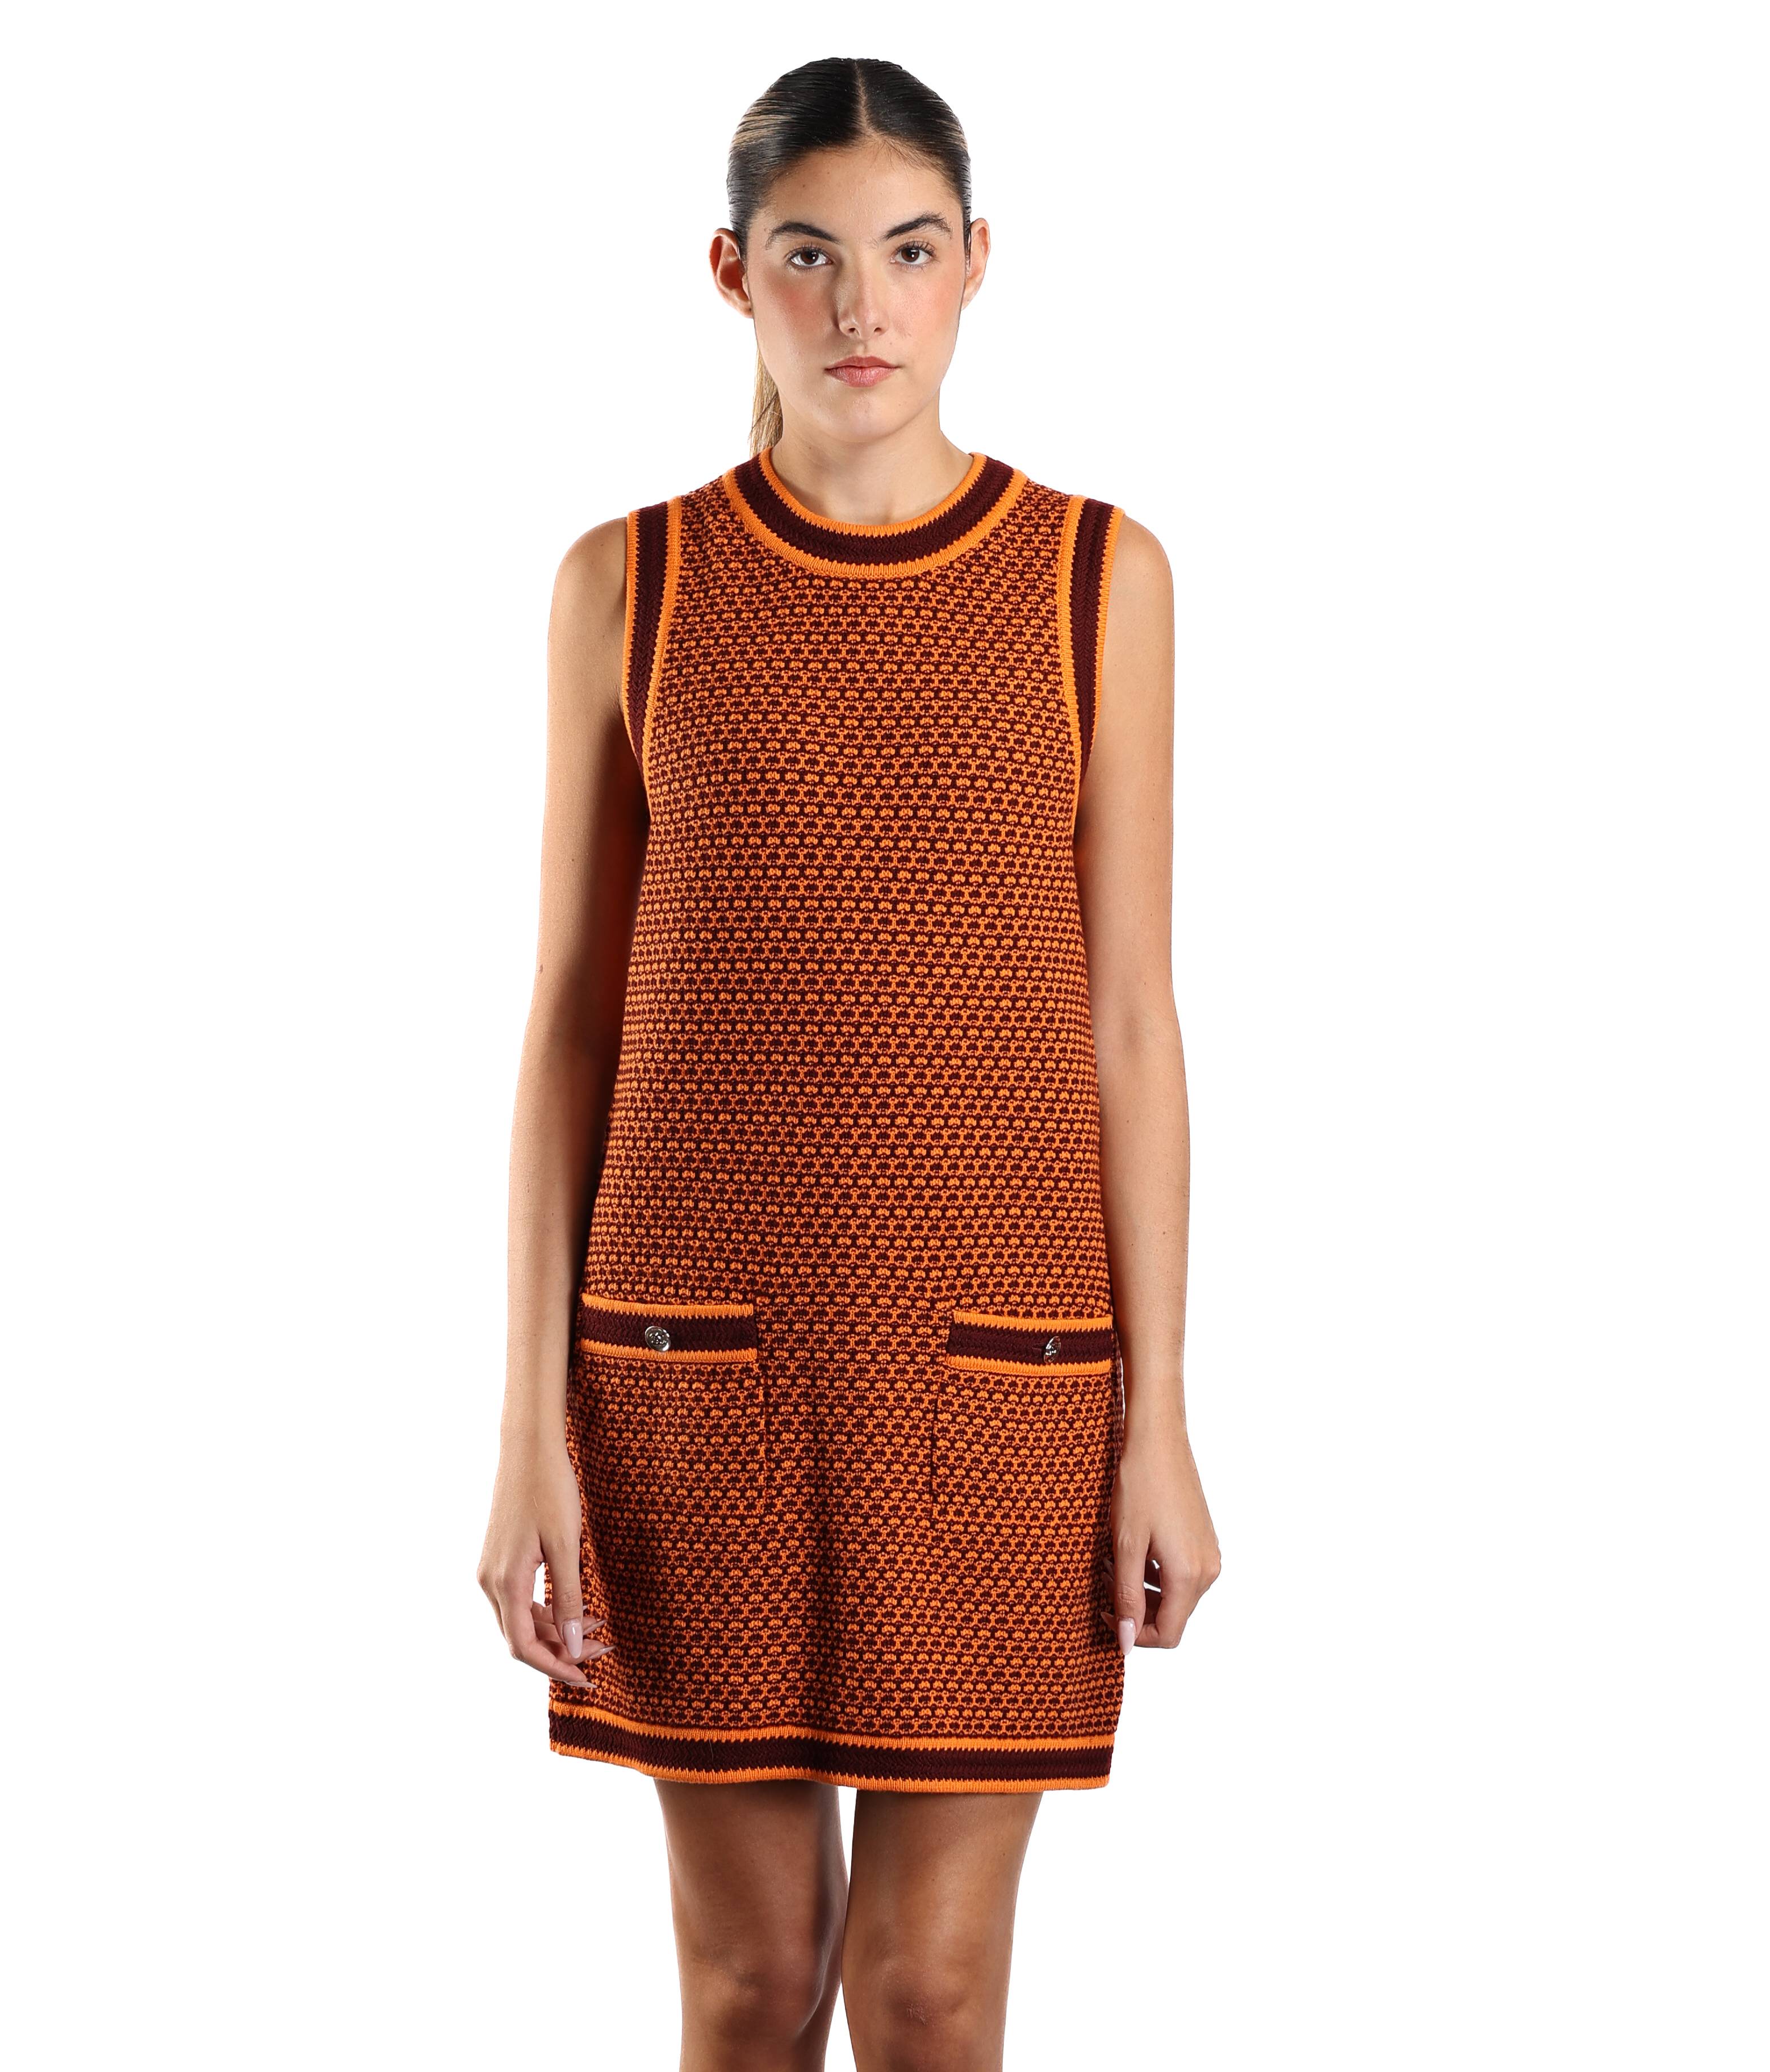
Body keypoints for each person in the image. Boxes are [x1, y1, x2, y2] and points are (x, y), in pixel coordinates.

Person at [479, 55, 1220, 2067]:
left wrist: (1161, 1418)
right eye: (809, 257)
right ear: (733, 275)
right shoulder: (628, 581)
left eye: (907, 252)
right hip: (689, 1363)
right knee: (745, 1989)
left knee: (927, 1992)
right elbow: (572, 1017)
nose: (862, 306)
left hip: (1003, 1370)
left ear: (978, 264)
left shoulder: (1098, 578)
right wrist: (527, 1422)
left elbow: (1130, 1020)